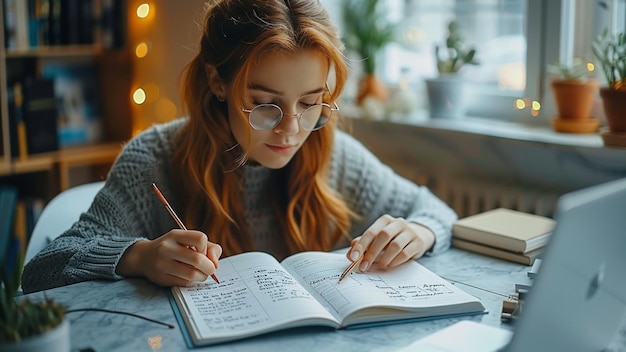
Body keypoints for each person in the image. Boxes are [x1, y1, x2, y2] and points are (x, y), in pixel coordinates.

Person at [21, 0, 457, 294]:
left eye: (310, 103)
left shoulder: (330, 151)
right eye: (265, 105)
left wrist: (415, 233)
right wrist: (139, 256)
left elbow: (437, 212)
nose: (291, 129)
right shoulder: (154, 159)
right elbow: (42, 268)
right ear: (218, 82)